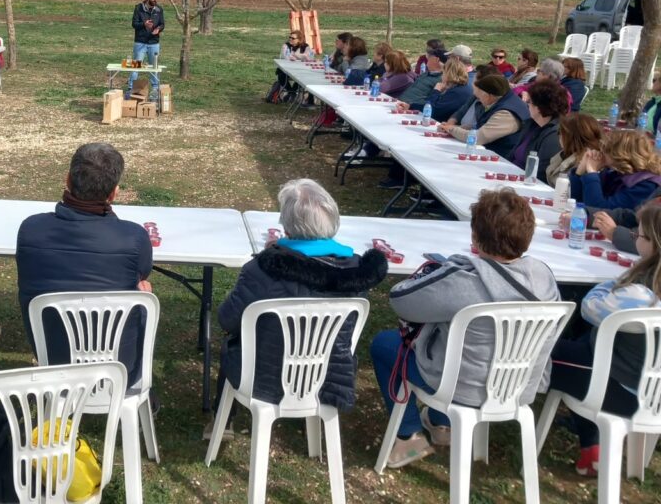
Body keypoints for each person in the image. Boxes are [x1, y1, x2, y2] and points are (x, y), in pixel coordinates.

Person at [370, 189, 561, 467]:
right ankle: (440, 424)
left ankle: (408, 434)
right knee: (459, 346)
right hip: (519, 387)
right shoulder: (544, 277)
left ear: (474, 237)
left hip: (461, 387)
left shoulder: (463, 279)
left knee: (385, 345)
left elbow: (401, 301)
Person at [212, 179, 387, 434]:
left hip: (264, 376)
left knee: (234, 342)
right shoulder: (358, 271)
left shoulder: (264, 270)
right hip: (328, 375)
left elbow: (227, 319)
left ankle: (223, 422)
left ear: (287, 224)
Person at [15, 143, 152, 384]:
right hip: (120, 370)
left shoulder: (30, 229)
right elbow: (143, 272)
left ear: (67, 180)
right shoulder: (133, 237)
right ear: (113, 193)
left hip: (54, 362)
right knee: (143, 290)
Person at [544, 201, 661, 476]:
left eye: (638, 236)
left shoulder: (641, 294)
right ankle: (591, 448)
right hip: (651, 389)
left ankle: (474, 410)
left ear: (653, 244)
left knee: (539, 351)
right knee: (581, 346)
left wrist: (617, 280)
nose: (634, 239)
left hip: (622, 388)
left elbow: (591, 306)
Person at [441, 73, 529, 157]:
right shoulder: (506, 100)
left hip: (502, 159)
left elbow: (478, 137)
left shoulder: (506, 113)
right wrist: (455, 128)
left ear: (488, 96)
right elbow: (482, 126)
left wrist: (451, 129)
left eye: (479, 97)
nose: (479, 101)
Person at [569, 129, 661, 210]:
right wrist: (580, 171)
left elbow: (597, 209)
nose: (601, 153)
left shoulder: (646, 185)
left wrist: (592, 172)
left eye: (606, 150)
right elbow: (575, 200)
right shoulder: (615, 172)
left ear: (619, 155)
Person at [509, 80, 569, 183]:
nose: (527, 106)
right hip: (513, 175)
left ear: (539, 108)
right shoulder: (531, 125)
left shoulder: (554, 135)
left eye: (529, 102)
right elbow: (512, 155)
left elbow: (541, 173)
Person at [546, 113, 603, 187]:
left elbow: (565, 189)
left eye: (561, 132)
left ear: (573, 137)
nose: (558, 135)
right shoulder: (567, 154)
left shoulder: (585, 160)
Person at [406, 56, 471, 120]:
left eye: (443, 73)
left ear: (448, 74)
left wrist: (436, 91)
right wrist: (410, 106)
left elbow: (432, 111)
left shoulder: (457, 92)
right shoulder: (458, 88)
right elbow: (429, 106)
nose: (442, 76)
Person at [128, 0, 164, 98]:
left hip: (154, 43)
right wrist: (144, 24)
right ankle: (131, 88)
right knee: (136, 66)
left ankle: (155, 89)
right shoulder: (138, 8)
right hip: (140, 42)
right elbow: (134, 24)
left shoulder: (159, 9)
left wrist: (158, 29)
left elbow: (162, 24)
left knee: (154, 66)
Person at [275, 29, 313, 97]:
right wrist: (301, 56)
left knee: (304, 77)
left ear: (299, 39)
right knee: (281, 76)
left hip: (301, 70)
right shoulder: (286, 46)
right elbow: (285, 57)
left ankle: (292, 93)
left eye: (293, 38)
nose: (290, 39)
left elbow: (309, 58)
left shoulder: (305, 46)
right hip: (286, 69)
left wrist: (296, 55)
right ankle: (292, 92)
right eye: (290, 37)